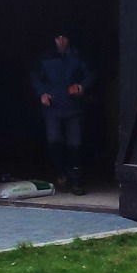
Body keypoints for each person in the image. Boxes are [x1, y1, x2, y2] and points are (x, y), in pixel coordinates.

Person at [31, 31, 92, 192]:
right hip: (53, 108)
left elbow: (91, 74)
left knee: (75, 145)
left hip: (74, 108)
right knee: (54, 142)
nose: (61, 41)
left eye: (64, 37)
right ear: (53, 40)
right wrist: (42, 93)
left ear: (69, 39)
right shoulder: (45, 58)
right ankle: (60, 171)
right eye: (57, 37)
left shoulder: (79, 56)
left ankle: (76, 181)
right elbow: (35, 77)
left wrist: (81, 87)